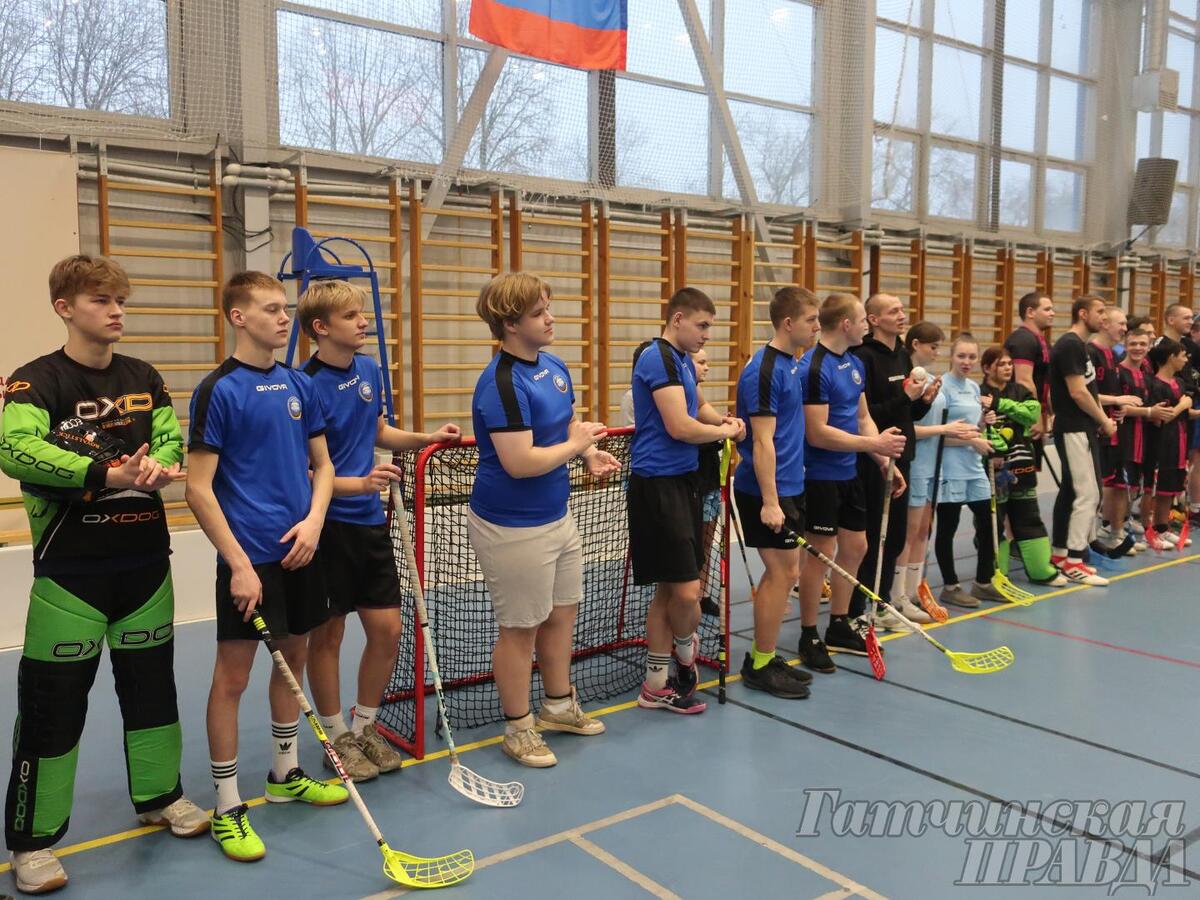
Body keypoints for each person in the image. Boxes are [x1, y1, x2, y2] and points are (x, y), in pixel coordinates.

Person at [0, 255, 207, 894]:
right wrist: (106, 475)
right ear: (66, 307)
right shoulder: (33, 383)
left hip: (146, 567)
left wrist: (153, 467)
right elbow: (15, 449)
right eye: (100, 300)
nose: (116, 310)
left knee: (153, 697)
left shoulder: (143, 376)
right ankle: (33, 844)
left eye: (120, 299)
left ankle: (160, 795)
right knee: (51, 711)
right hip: (70, 575)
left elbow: (172, 439)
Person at [186, 272, 347, 864]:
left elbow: (323, 467)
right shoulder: (218, 390)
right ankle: (227, 805)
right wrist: (238, 565)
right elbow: (199, 490)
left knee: (294, 658)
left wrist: (313, 523)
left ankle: (286, 773)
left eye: (287, 310)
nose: (285, 319)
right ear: (238, 317)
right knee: (233, 677)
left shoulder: (297, 384)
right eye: (272, 309)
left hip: (301, 547)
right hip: (250, 558)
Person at [298, 280, 461, 782]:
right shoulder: (302, 385)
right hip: (328, 528)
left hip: (370, 524)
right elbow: (301, 473)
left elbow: (377, 431)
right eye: (350, 317)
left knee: (388, 631)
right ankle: (336, 736)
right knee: (328, 636)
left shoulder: (369, 370)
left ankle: (364, 725)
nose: (363, 322)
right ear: (321, 328)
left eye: (362, 314)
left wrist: (424, 437)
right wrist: (358, 483)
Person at [467, 273, 619, 767]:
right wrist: (576, 446)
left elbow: (566, 429)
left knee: (560, 615)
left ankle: (558, 706)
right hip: (511, 525)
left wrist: (588, 453)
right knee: (519, 628)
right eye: (538, 313)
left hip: (557, 514)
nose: (550, 318)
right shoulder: (501, 384)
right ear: (510, 324)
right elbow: (519, 461)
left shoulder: (552, 366)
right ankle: (518, 727)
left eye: (548, 308)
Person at [628, 287, 744, 714]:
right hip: (658, 486)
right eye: (702, 325)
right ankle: (684, 655)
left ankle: (655, 686)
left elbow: (698, 404)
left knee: (670, 592)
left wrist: (726, 419)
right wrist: (724, 434)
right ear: (678, 319)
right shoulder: (656, 357)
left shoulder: (680, 361)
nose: (707, 335)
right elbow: (679, 425)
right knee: (688, 592)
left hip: (684, 483)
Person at [796, 294, 905, 670]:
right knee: (820, 554)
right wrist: (872, 444)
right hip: (820, 475)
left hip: (851, 469)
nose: (865, 326)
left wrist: (883, 459)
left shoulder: (854, 363)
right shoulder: (815, 366)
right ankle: (808, 632)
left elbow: (861, 419)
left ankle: (839, 624)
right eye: (861, 319)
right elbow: (817, 432)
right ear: (845, 323)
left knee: (856, 546)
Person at [732, 287, 819, 698]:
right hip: (768, 490)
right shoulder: (764, 369)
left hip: (790, 484)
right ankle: (760, 664)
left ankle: (763, 656)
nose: (817, 327)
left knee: (789, 573)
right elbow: (762, 441)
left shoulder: (791, 364)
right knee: (782, 573)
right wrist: (770, 501)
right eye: (811, 320)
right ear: (788, 323)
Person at [851, 293, 940, 630]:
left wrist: (922, 402)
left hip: (904, 456)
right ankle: (860, 608)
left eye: (903, 310)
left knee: (897, 536)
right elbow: (864, 416)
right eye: (894, 311)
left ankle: (883, 602)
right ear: (874, 319)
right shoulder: (863, 357)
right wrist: (904, 397)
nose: (902, 315)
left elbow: (907, 410)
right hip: (874, 460)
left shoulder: (902, 355)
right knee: (872, 537)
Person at [894, 322, 979, 611]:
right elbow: (906, 429)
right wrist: (945, 430)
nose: (936, 352)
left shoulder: (932, 379)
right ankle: (898, 596)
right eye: (933, 346)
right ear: (916, 344)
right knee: (908, 531)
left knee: (923, 531)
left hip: (934, 465)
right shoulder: (907, 381)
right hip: (915, 465)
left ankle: (916, 591)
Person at [979, 346, 1065, 585]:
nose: (1008, 368)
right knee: (994, 522)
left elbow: (1031, 414)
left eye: (1009, 364)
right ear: (987, 368)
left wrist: (999, 403)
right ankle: (997, 574)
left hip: (1023, 466)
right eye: (1001, 364)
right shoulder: (978, 393)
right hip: (991, 471)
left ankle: (1041, 571)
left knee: (1029, 517)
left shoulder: (1021, 391)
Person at [1048, 295, 1115, 586]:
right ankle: (1074, 561)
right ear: (1083, 313)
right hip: (1074, 428)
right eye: (1100, 312)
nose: (1103, 317)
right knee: (1088, 494)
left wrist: (1099, 418)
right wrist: (1103, 420)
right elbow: (1077, 392)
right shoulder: (1070, 344)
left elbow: (1087, 390)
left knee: (1072, 492)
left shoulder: (1080, 347)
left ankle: (1060, 554)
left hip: (1081, 427)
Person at [933, 335, 1004, 608]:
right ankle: (950, 586)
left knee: (988, 524)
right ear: (952, 356)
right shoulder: (942, 388)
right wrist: (973, 440)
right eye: (962, 356)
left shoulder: (975, 388)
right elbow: (939, 435)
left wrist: (984, 424)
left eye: (972, 357)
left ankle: (983, 582)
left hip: (974, 467)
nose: (967, 362)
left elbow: (976, 430)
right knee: (948, 527)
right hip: (950, 467)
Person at [1088, 306, 1141, 557]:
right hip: (1093, 429)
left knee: (1107, 485)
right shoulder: (1090, 352)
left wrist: (1119, 405)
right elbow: (1088, 394)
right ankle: (1083, 541)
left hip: (1110, 427)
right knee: (1090, 489)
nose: (1124, 329)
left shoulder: (1111, 354)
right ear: (1104, 323)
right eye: (1120, 324)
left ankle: (1102, 535)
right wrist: (1118, 399)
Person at [1116, 329, 1165, 550]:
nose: (1137, 348)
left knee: (1134, 487)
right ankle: (1114, 530)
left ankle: (1125, 529)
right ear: (1125, 345)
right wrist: (1148, 413)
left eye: (1142, 344)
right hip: (1121, 437)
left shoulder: (1148, 377)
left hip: (1142, 438)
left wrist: (1157, 415)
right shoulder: (1118, 372)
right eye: (1133, 343)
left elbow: (1151, 407)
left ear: (1148, 347)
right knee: (1119, 486)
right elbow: (1119, 408)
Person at [1145, 338, 1194, 548]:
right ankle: (1151, 530)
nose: (1185, 359)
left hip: (1180, 440)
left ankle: (1163, 528)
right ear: (1171, 357)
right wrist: (1184, 404)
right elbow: (1162, 417)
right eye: (1182, 355)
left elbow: (1185, 412)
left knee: (1170, 488)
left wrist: (1191, 409)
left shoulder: (1179, 382)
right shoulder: (1156, 385)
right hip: (1162, 443)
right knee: (1157, 488)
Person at [691, 347, 725, 618]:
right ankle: (688, 596)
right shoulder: (675, 396)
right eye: (701, 362)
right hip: (689, 481)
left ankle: (702, 594)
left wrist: (725, 425)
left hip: (709, 476)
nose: (707, 367)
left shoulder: (700, 399)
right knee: (688, 545)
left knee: (706, 541)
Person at [1004, 292, 1055, 442]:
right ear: (1030, 312)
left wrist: (1052, 413)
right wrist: (1035, 416)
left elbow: (1046, 381)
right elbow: (1023, 381)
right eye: (1047, 309)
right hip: (1017, 416)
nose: (1053, 313)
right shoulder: (1023, 340)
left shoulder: (1042, 341)